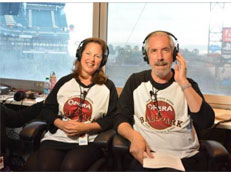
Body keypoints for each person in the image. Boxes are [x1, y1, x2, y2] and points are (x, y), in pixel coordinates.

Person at [114, 31, 215, 171]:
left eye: (165, 50)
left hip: (184, 159)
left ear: (174, 54)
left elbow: (206, 121)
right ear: (146, 56)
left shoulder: (187, 84)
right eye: (154, 51)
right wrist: (134, 137)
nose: (159, 57)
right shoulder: (135, 81)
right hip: (147, 157)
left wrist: (183, 83)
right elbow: (120, 118)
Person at [27, 38, 118, 171]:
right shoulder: (65, 82)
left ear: (102, 61)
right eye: (88, 53)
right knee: (46, 167)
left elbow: (113, 118)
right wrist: (61, 124)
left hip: (88, 142)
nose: (91, 59)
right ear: (80, 54)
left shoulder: (107, 87)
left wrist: (86, 127)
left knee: (70, 167)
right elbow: (47, 109)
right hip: (57, 138)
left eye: (97, 56)